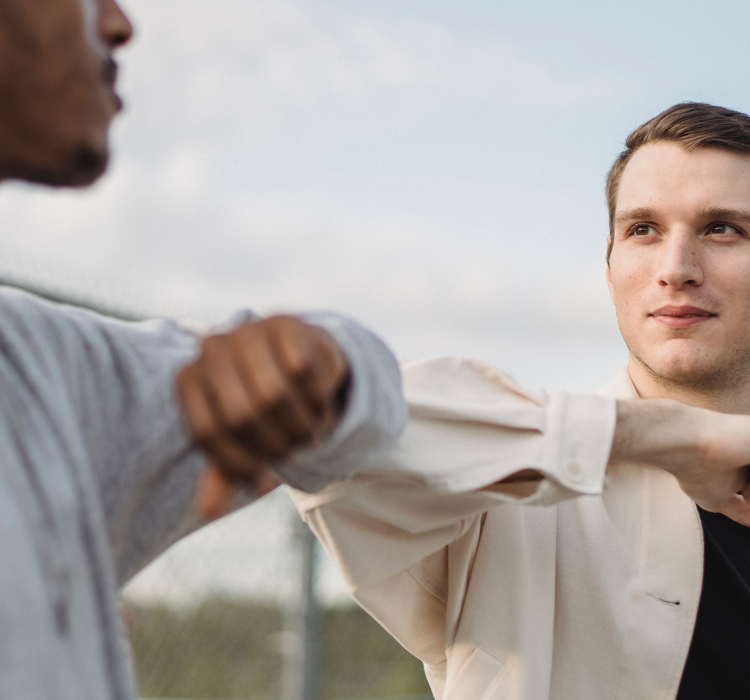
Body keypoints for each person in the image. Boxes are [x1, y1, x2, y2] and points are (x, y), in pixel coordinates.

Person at [290, 102, 750, 700]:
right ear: (610, 266)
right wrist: (667, 436)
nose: (675, 268)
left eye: (722, 228)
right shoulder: (509, 505)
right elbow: (324, 427)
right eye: (643, 229)